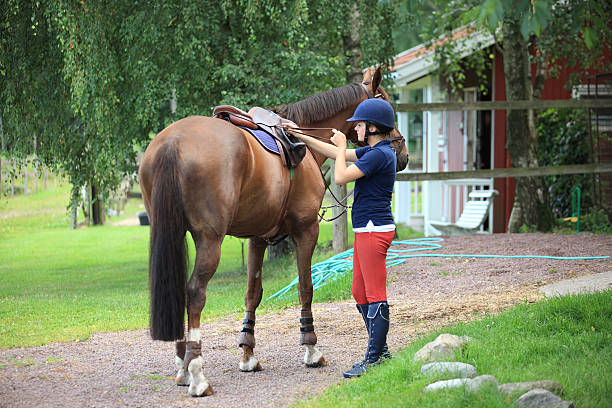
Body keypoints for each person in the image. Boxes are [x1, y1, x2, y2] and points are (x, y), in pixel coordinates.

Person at [286, 98, 397, 378]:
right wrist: (297, 134)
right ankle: (380, 351)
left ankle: (375, 358)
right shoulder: (375, 151)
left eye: (359, 125)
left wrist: (340, 148)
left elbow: (339, 177)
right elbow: (338, 154)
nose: (355, 129)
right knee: (360, 293)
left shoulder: (379, 155)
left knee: (374, 294)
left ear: (372, 127)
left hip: (374, 230)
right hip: (366, 229)